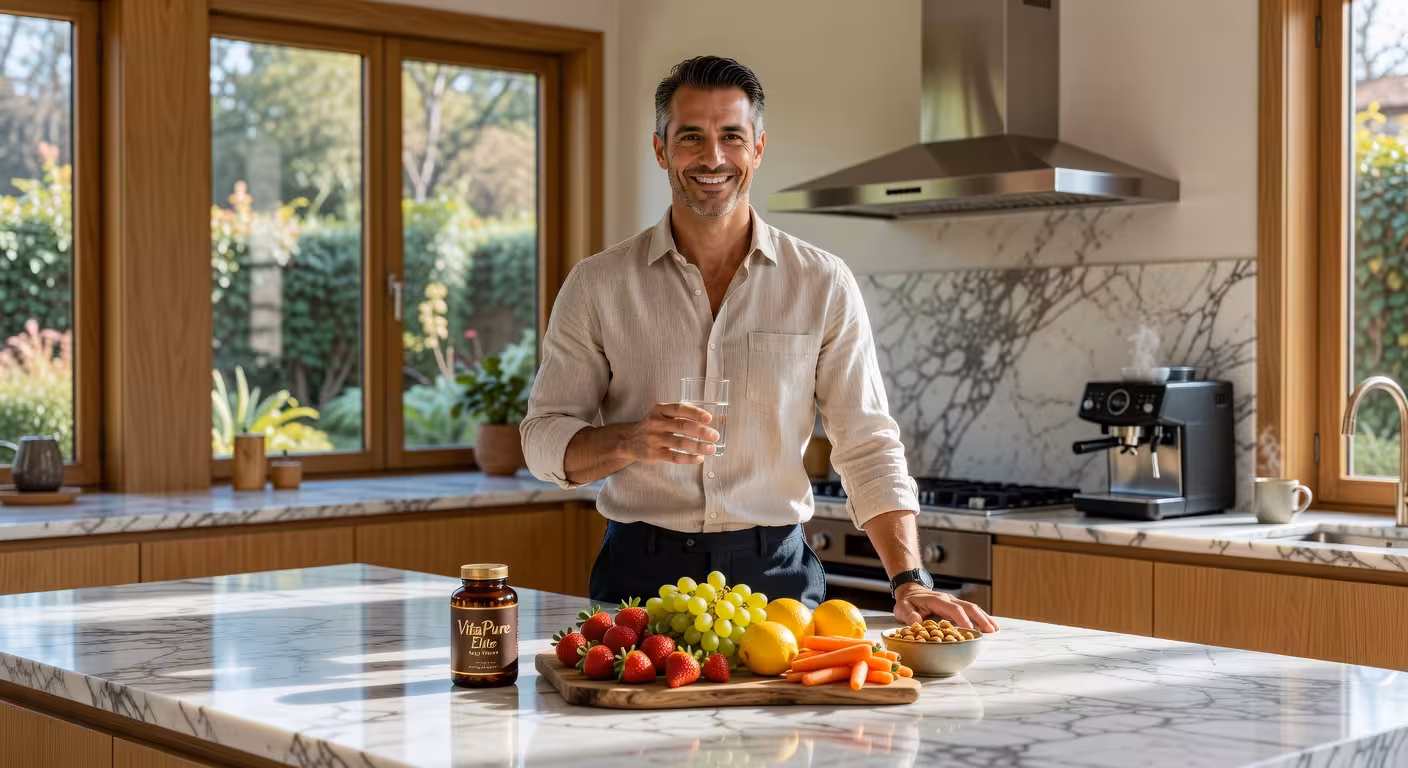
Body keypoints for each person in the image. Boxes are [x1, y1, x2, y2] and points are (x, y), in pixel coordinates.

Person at [521, 55, 997, 632]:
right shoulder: (597, 284)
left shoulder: (822, 282)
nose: (713, 157)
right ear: (660, 149)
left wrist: (910, 579)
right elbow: (543, 440)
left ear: (759, 148)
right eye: (691, 136)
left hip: (780, 582)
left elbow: (866, 442)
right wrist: (630, 441)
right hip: (637, 583)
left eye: (732, 137)